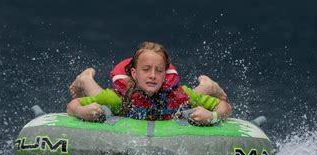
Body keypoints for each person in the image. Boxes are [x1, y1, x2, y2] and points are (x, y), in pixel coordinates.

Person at [67, 42, 231, 125]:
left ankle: (207, 85)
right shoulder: (119, 98)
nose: (153, 75)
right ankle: (86, 78)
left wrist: (212, 116)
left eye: (159, 70)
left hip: (173, 97)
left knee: (190, 98)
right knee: (101, 99)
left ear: (165, 75)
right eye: (146, 69)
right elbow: (72, 105)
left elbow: (225, 107)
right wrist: (82, 111)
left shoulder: (178, 96)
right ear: (134, 73)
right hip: (124, 96)